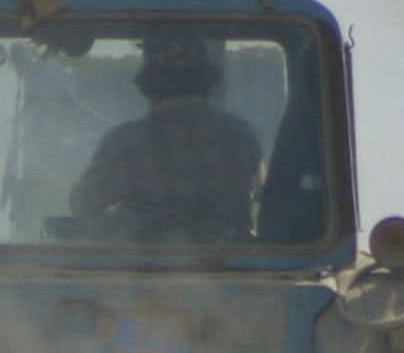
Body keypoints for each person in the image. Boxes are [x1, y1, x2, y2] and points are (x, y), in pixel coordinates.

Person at [69, 30, 262, 244]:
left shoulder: (123, 143)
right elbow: (256, 191)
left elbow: (85, 205)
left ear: (147, 88)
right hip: (237, 268)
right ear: (207, 83)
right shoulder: (240, 134)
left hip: (145, 271)